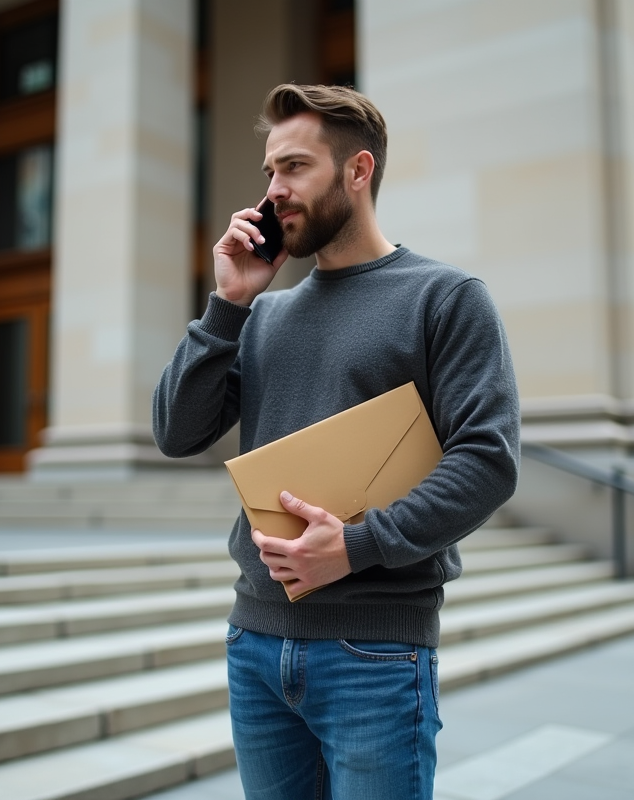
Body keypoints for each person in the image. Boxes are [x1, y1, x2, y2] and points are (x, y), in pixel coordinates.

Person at [152, 85, 520, 799]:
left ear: (358, 171)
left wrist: (357, 544)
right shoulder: (263, 316)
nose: (272, 191)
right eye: (268, 173)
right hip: (255, 642)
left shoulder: (444, 298)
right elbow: (176, 431)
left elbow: (488, 460)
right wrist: (227, 305)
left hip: (375, 651)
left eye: (293, 168)